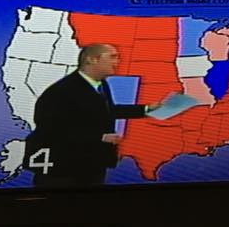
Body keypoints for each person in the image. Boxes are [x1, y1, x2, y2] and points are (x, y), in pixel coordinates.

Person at [24, 43, 164, 188]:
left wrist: (147, 109)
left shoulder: (100, 85)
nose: (117, 62)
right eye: (113, 57)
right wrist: (99, 137)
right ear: (91, 59)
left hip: (91, 165)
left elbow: (106, 111)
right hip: (63, 170)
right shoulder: (62, 91)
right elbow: (52, 129)